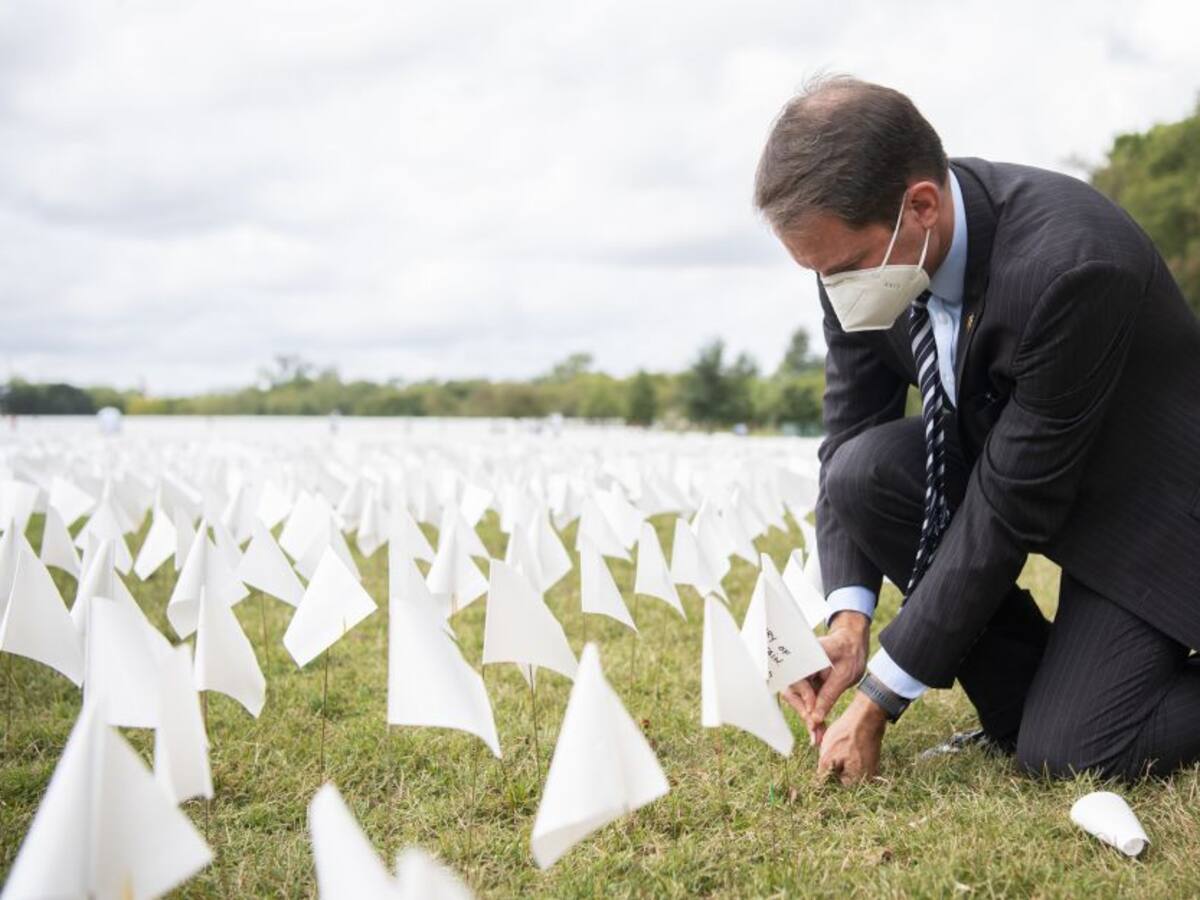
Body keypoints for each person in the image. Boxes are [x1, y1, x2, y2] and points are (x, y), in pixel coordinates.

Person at [753, 75, 1200, 785]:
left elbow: (1008, 502)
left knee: (1074, 753)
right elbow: (849, 433)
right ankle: (1026, 695)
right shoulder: (858, 252)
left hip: (1152, 514)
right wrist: (848, 620)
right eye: (818, 274)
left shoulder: (1071, 269)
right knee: (863, 472)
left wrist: (880, 697)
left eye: (841, 270)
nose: (835, 291)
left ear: (921, 206)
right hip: (1035, 476)